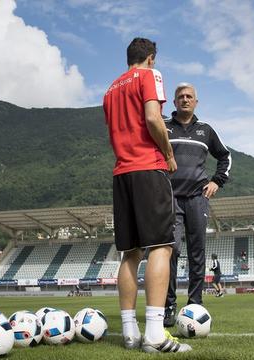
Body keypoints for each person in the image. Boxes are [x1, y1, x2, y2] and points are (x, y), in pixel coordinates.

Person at [102, 37, 191, 353]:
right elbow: (153, 118)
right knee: (162, 247)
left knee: (130, 253)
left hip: (122, 173)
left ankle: (129, 332)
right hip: (147, 169)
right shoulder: (149, 75)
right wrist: (167, 152)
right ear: (150, 58)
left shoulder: (110, 90)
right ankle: (154, 334)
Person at [162, 82, 231, 327]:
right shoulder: (163, 127)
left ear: (196, 102)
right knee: (171, 251)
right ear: (174, 102)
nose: (185, 99)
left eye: (189, 96)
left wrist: (217, 181)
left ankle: (195, 303)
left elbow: (225, 156)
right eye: (181, 96)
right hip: (169, 199)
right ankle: (168, 305)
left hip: (197, 198)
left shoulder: (206, 130)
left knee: (197, 252)